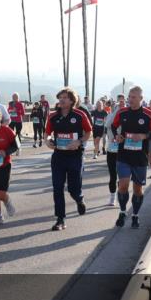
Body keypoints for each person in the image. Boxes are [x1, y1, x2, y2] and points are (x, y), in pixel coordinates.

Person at [110, 86, 151, 229]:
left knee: (138, 189)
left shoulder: (149, 115)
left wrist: (144, 136)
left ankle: (135, 215)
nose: (130, 100)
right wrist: (117, 135)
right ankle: (123, 211)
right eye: (129, 97)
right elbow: (114, 126)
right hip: (123, 155)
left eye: (133, 97)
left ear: (141, 99)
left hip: (140, 157)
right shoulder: (122, 112)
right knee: (123, 185)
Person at [45, 87, 92, 231]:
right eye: (60, 97)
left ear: (72, 100)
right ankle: (60, 219)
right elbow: (47, 134)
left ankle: (79, 199)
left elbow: (88, 131)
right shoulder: (53, 116)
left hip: (75, 156)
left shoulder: (79, 115)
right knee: (57, 188)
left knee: (73, 188)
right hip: (58, 156)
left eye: (65, 97)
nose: (61, 100)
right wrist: (48, 141)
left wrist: (78, 142)